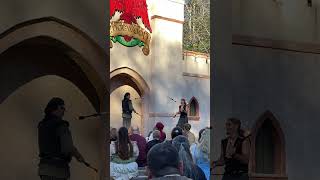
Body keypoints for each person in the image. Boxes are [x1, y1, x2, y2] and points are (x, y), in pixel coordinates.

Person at [38, 97, 86, 180]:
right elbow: (68, 147)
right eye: (62, 108)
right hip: (58, 170)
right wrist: (79, 156)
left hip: (44, 169)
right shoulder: (60, 125)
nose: (64, 111)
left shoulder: (42, 124)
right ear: (54, 108)